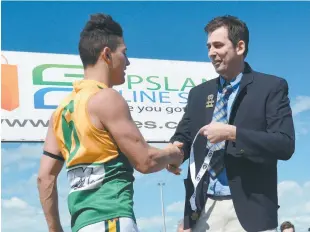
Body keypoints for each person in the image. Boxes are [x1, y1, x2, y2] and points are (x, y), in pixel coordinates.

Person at [37, 13, 184, 232]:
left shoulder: (60, 111)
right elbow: (145, 161)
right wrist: (174, 153)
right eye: (124, 53)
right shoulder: (107, 98)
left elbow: (44, 178)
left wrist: (54, 228)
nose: (128, 61)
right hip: (112, 220)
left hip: (82, 225)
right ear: (107, 54)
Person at [168, 15, 295, 232]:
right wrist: (175, 152)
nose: (210, 53)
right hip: (204, 210)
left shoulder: (271, 87)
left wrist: (233, 133)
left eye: (218, 45)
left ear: (240, 46)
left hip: (251, 211)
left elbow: (284, 144)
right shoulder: (198, 94)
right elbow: (184, 137)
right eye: (208, 46)